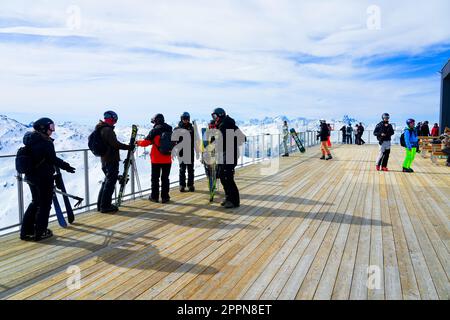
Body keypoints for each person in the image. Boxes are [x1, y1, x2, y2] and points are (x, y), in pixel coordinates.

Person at [20, 118, 76, 241]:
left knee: (35, 202)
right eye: (50, 127)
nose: (52, 130)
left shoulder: (31, 140)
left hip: (31, 176)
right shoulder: (45, 142)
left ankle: (26, 231)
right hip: (43, 177)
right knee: (45, 205)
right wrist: (66, 166)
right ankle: (40, 232)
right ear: (42, 128)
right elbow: (52, 159)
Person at [96, 111, 134, 213]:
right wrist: (128, 147)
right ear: (113, 119)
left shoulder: (101, 129)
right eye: (115, 119)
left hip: (104, 160)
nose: (115, 121)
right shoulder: (108, 130)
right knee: (110, 184)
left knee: (106, 183)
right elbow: (115, 144)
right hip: (111, 160)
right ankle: (105, 206)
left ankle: (101, 205)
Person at [211, 107, 244, 209]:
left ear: (220, 115)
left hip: (229, 154)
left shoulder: (226, 124)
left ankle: (234, 201)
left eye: (215, 116)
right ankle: (229, 198)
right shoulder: (225, 124)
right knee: (222, 176)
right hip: (225, 154)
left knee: (227, 177)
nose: (214, 118)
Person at [136, 114, 173, 203]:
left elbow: (145, 142)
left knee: (155, 179)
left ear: (156, 121)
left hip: (156, 159)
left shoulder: (154, 131)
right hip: (167, 158)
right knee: (165, 178)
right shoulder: (170, 130)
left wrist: (137, 142)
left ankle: (154, 197)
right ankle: (165, 197)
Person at [174, 112, 198, 192]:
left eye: (187, 119)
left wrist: (197, 150)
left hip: (190, 151)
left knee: (191, 169)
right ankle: (182, 185)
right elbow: (174, 141)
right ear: (181, 119)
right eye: (184, 118)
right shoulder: (177, 129)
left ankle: (191, 185)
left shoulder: (192, 128)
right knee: (182, 169)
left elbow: (195, 140)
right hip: (181, 152)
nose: (186, 120)